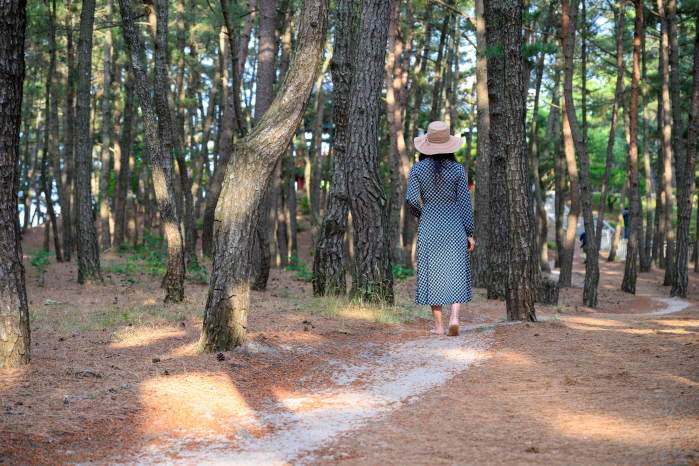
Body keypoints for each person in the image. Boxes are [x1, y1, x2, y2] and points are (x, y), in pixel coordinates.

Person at [406, 121, 475, 337]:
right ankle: (454, 318)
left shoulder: (417, 169)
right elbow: (465, 202)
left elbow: (410, 199)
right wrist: (469, 233)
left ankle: (439, 326)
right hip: (454, 224)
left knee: (431, 271)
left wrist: (420, 213)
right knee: (455, 270)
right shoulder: (457, 169)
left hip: (430, 224)